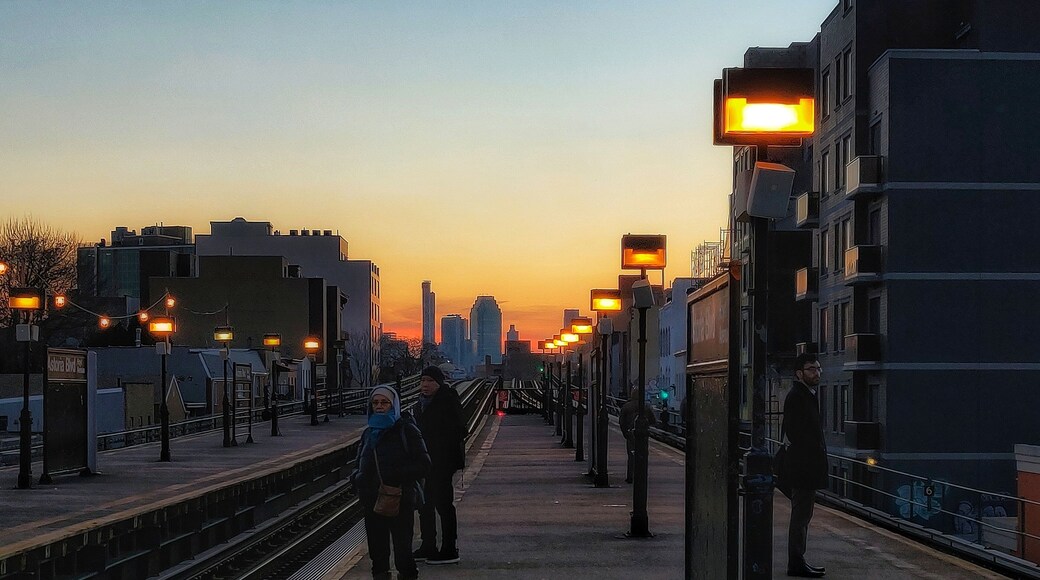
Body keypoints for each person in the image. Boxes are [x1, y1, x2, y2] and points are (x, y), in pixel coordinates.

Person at [350, 387, 430, 580]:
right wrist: (357, 477)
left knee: (403, 551)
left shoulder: (407, 430)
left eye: (384, 402)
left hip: (400, 498)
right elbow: (359, 460)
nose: (379, 407)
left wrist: (394, 476)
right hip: (372, 500)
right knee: (377, 553)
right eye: (375, 403)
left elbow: (424, 464)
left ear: (393, 405)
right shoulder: (369, 432)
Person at [413, 366, 466, 565]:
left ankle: (449, 549)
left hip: (442, 462)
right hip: (425, 462)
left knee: (443, 505)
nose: (425, 385)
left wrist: (439, 444)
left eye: (430, 381)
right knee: (424, 505)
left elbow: (460, 429)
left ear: (438, 383)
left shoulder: (448, 401)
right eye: (423, 380)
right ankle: (428, 545)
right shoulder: (420, 404)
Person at [783, 353, 829, 578]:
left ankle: (799, 560)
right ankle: (796, 562)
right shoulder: (797, 397)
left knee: (803, 516)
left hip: (805, 467)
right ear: (799, 373)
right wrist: (810, 455)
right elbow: (794, 432)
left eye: (818, 368)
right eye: (811, 369)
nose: (817, 373)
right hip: (802, 469)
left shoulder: (806, 395)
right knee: (800, 517)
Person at [619, 386, 656, 484]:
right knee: (643, 455)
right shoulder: (646, 406)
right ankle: (642, 475)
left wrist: (625, 433)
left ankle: (630, 476)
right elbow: (653, 420)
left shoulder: (626, 406)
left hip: (630, 434)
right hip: (643, 435)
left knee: (631, 455)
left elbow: (621, 422)